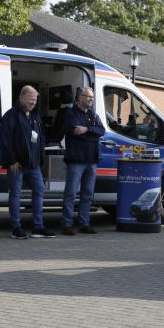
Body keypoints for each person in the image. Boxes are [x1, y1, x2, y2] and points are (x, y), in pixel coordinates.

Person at [0, 85, 55, 239]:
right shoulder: (10, 116)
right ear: (21, 97)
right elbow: (6, 140)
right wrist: (12, 160)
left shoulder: (34, 116)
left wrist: (40, 160)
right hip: (17, 164)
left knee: (40, 190)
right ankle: (16, 228)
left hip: (33, 164)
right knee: (15, 194)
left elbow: (40, 138)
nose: (33, 102)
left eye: (35, 100)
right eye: (31, 99)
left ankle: (38, 227)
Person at [61, 86, 105, 236]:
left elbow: (102, 131)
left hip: (92, 160)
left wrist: (86, 130)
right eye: (88, 96)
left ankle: (84, 224)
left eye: (92, 97)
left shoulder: (93, 114)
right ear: (79, 97)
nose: (91, 99)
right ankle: (67, 224)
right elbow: (73, 131)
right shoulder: (70, 113)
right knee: (71, 193)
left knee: (87, 194)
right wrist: (91, 131)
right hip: (76, 159)